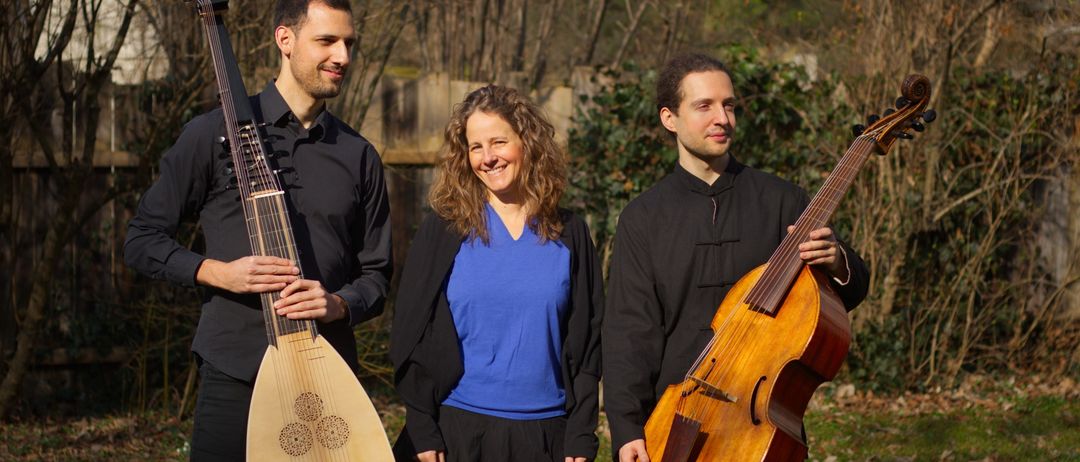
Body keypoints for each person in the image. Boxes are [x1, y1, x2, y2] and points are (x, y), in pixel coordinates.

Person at [123, 0, 392, 459]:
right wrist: (216, 272)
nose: (343, 56)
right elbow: (141, 240)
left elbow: (377, 277)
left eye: (349, 43)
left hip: (326, 375)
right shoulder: (211, 135)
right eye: (327, 41)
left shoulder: (358, 154)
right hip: (236, 373)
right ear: (285, 40)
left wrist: (337, 303)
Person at [602, 53, 870, 462]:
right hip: (672, 419)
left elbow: (850, 291)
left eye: (728, 105)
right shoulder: (643, 218)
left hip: (761, 423)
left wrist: (837, 261)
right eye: (704, 106)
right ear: (669, 118)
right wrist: (626, 428)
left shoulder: (783, 200)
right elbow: (628, 334)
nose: (722, 118)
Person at [389, 85, 603, 462]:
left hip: (546, 436)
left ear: (527, 143)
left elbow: (587, 344)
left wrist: (581, 434)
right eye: (475, 147)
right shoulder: (446, 229)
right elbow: (410, 333)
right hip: (458, 432)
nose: (487, 158)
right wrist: (423, 429)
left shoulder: (570, 233)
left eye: (498, 142)